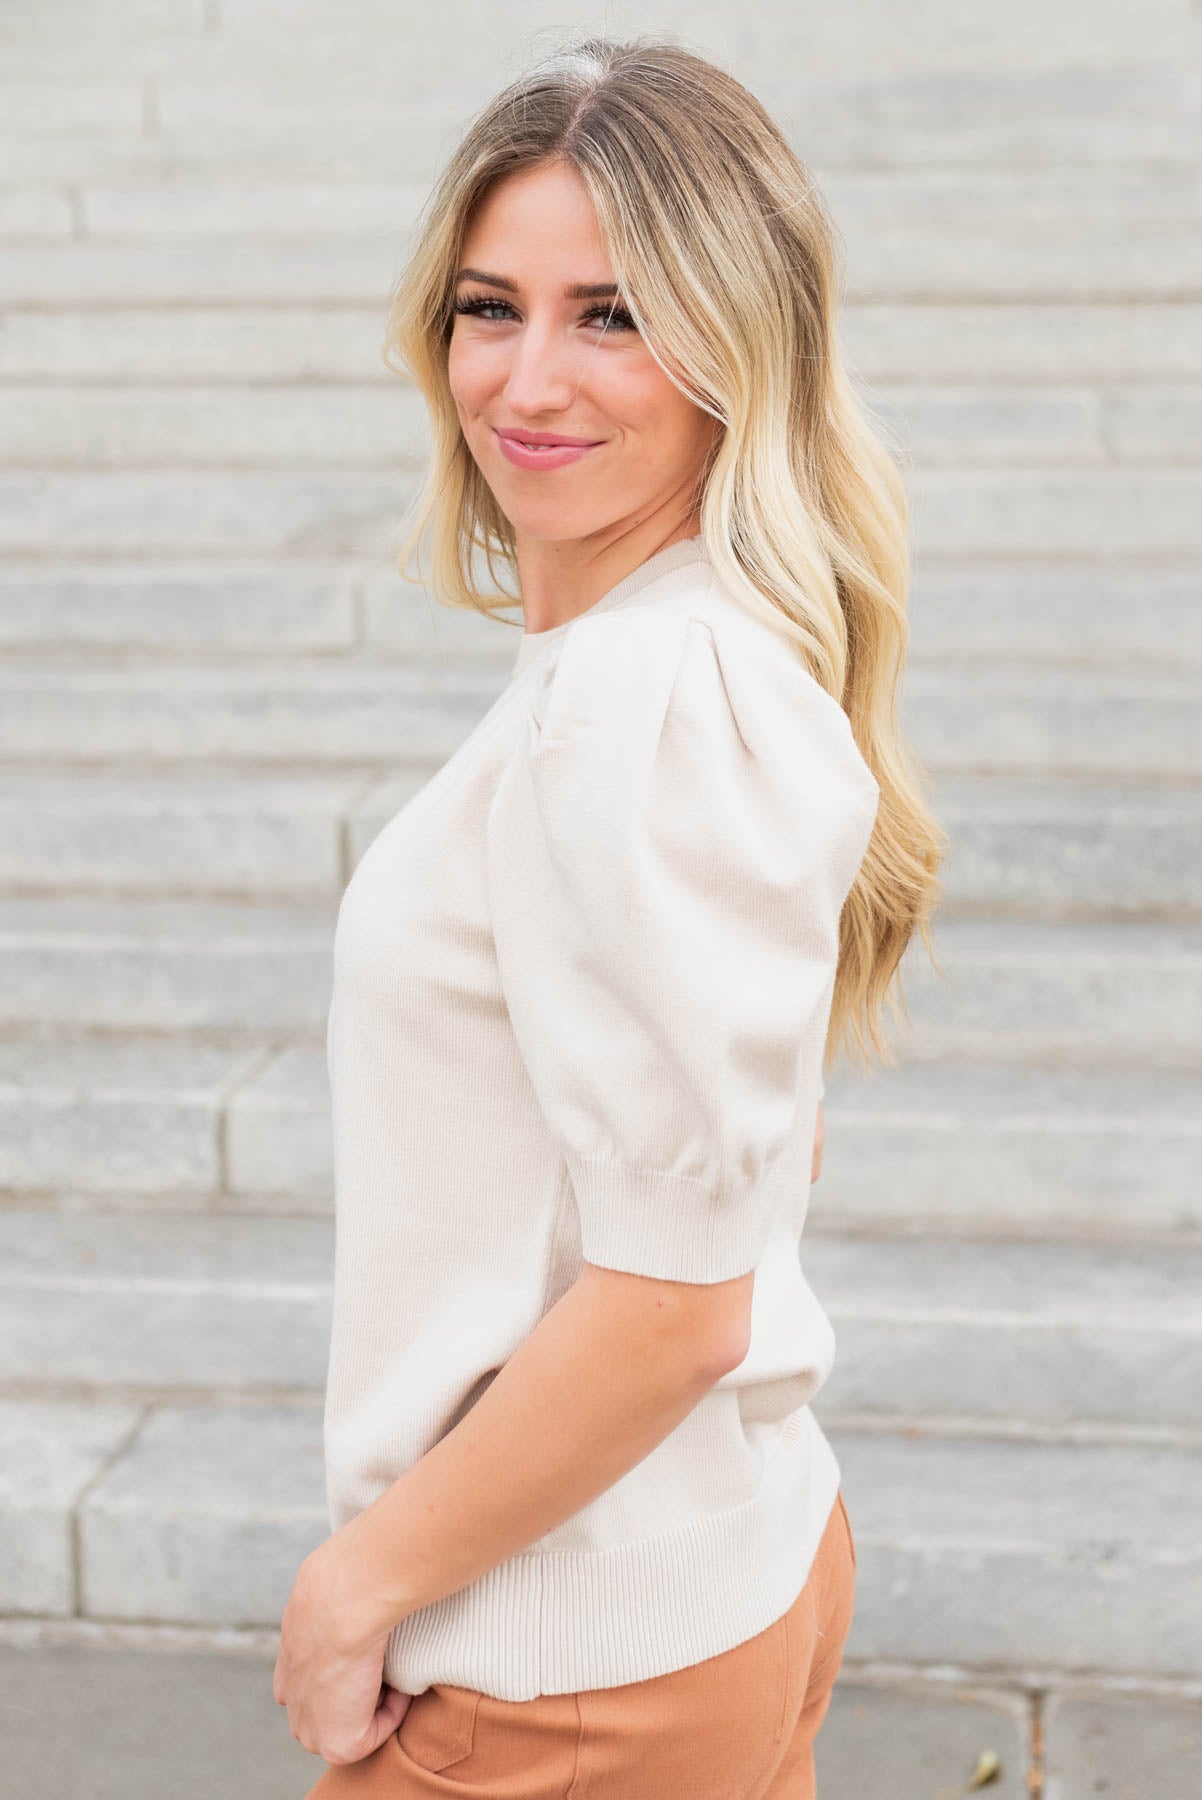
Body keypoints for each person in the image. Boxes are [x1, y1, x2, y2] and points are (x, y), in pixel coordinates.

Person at [274, 31, 945, 1800]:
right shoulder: (685, 651)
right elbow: (741, 1159)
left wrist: (357, 1591)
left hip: (566, 1671)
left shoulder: (641, 700)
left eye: (616, 315)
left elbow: (673, 1301)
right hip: (709, 1575)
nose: (528, 379)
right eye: (490, 306)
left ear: (741, 346)